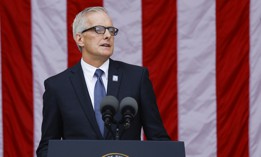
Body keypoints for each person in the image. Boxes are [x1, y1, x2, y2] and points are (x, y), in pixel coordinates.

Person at [36, 6, 170, 157]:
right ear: (79, 38)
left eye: (111, 30)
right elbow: (47, 148)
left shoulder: (136, 78)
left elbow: (159, 140)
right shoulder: (57, 86)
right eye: (99, 29)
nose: (107, 35)